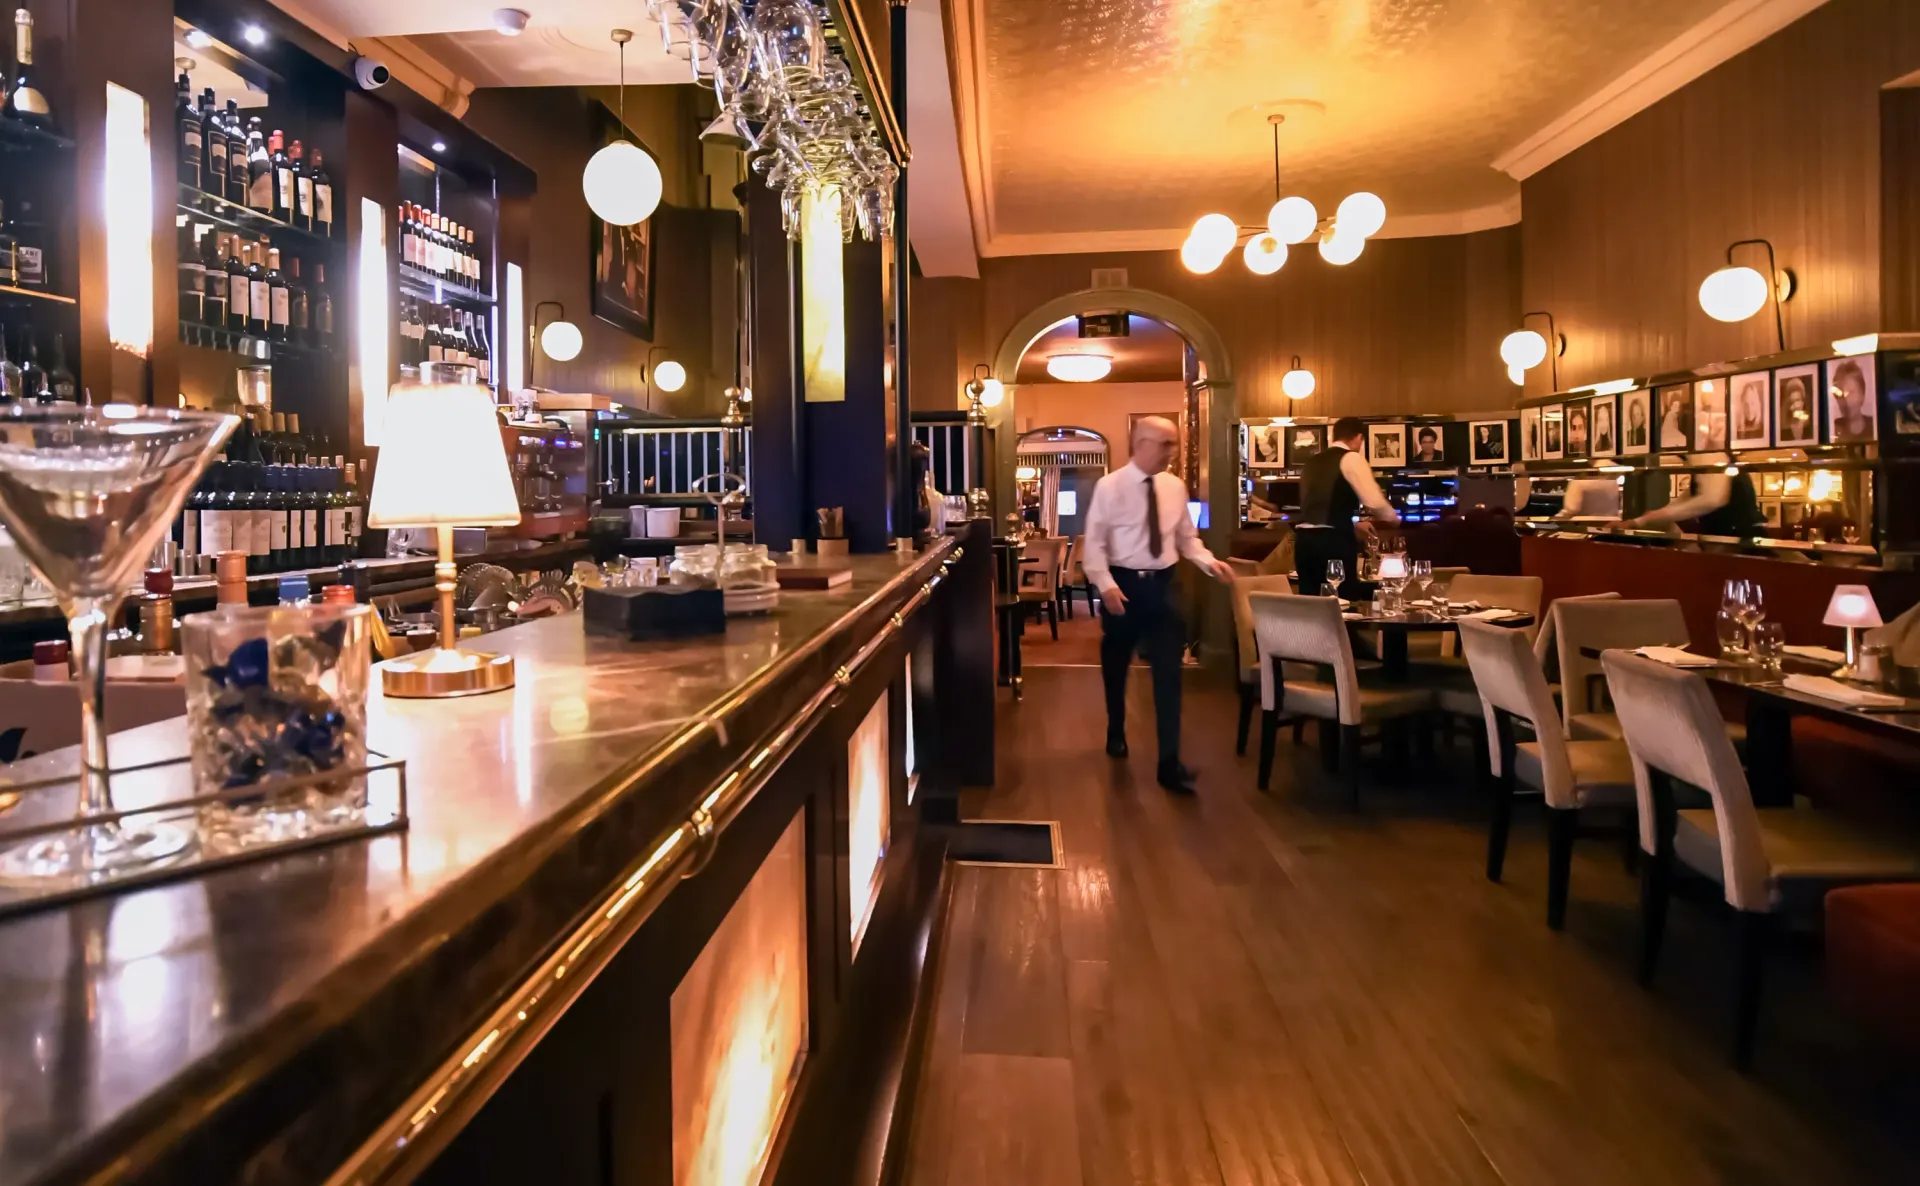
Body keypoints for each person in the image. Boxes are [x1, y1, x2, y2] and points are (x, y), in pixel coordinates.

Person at [1082, 416, 1235, 793]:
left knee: (1169, 674)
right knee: (1116, 667)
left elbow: (1187, 539)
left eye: (1174, 444)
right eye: (1166, 444)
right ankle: (1115, 728)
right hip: (1124, 587)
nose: (1173, 451)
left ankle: (1170, 763)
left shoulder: (1174, 487)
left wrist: (1208, 562)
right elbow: (1094, 545)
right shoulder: (1109, 486)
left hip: (1165, 588)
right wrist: (1106, 585)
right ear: (1143, 443)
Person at [1293, 416, 1401, 603]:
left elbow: (1322, 505)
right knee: (1342, 603)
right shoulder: (1351, 458)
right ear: (1359, 437)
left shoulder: (1312, 462)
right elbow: (1374, 503)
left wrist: (1353, 524)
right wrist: (1394, 519)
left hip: (1304, 543)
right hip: (1332, 543)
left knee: (1312, 606)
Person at [1620, 470, 1763, 537]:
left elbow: (1711, 500)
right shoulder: (1702, 471)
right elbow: (1681, 503)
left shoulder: (1716, 463)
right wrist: (1637, 521)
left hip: (1743, 539)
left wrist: (1644, 520)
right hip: (1723, 538)